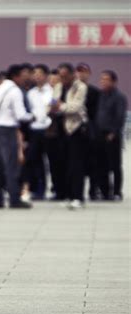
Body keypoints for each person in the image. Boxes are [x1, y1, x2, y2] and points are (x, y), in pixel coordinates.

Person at [0, 64, 33, 209]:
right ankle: (14, 199)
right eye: (23, 76)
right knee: (11, 166)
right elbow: (21, 115)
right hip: (9, 130)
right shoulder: (15, 91)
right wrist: (34, 116)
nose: (25, 79)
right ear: (16, 76)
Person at [49, 63, 88, 210]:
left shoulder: (81, 87)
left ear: (73, 74)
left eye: (65, 76)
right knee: (63, 164)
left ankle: (78, 197)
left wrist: (60, 106)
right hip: (61, 129)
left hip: (76, 128)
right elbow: (53, 102)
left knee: (76, 165)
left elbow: (76, 107)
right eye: (61, 76)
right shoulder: (59, 86)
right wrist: (54, 106)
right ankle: (68, 195)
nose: (63, 79)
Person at [95, 70, 127, 201]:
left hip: (112, 135)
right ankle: (105, 191)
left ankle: (117, 192)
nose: (103, 82)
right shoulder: (99, 95)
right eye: (102, 79)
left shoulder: (119, 97)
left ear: (114, 81)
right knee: (101, 165)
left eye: (106, 79)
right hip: (99, 135)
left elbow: (120, 117)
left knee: (115, 165)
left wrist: (113, 132)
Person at [25, 64, 53, 200]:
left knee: (53, 161)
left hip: (49, 130)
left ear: (46, 75)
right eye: (34, 73)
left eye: (40, 73)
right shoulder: (31, 93)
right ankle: (38, 190)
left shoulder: (53, 90)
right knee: (35, 161)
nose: (37, 76)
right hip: (35, 130)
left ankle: (56, 189)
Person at [76, 63, 100, 200]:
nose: (81, 75)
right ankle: (77, 191)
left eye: (84, 72)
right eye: (79, 72)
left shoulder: (94, 92)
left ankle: (93, 190)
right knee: (78, 163)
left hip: (91, 131)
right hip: (75, 131)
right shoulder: (72, 90)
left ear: (89, 74)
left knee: (93, 162)